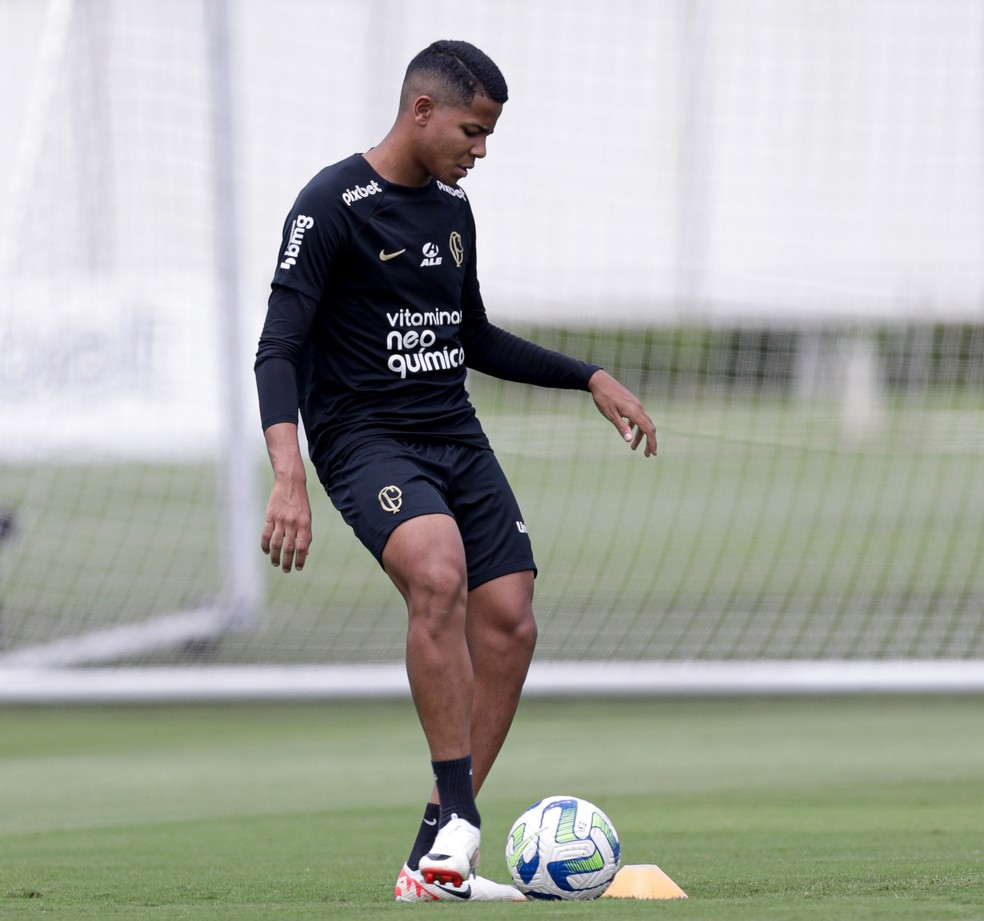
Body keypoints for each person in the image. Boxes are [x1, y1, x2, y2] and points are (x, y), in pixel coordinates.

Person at [254, 39, 657, 903]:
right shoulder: (330, 205)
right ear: (423, 111)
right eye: (473, 131)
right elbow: (277, 348)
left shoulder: (451, 215)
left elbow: (472, 337)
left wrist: (587, 374)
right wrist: (288, 471)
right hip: (364, 440)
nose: (481, 150)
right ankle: (465, 817)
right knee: (438, 572)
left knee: (510, 619)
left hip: (454, 435)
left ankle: (433, 858)